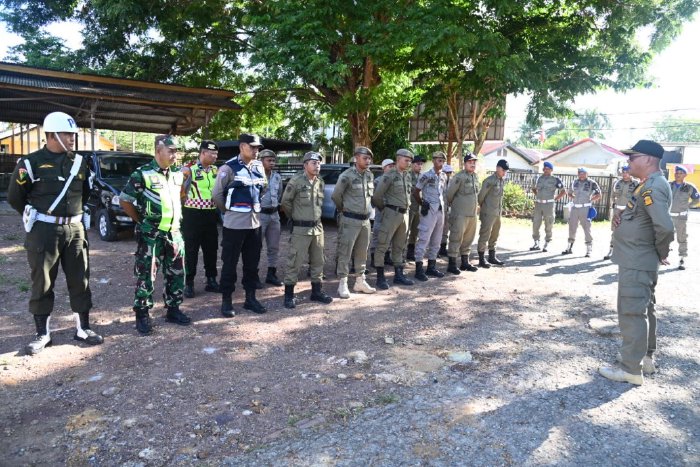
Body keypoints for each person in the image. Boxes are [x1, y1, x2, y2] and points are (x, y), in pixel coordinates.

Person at [8, 111, 103, 354]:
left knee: (80, 278)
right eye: (67, 134)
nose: (72, 138)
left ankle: (83, 328)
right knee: (42, 280)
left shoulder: (80, 163)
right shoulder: (30, 163)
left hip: (75, 229)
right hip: (44, 231)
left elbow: (84, 194)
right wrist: (41, 219)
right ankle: (43, 334)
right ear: (51, 135)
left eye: (73, 134)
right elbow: (15, 198)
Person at [599, 140, 674, 385]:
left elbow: (664, 227)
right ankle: (645, 358)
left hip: (638, 259)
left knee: (632, 312)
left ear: (649, 160)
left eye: (633, 157)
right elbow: (640, 215)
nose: (628, 161)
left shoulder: (654, 187)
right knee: (645, 309)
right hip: (637, 258)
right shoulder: (647, 186)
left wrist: (661, 252)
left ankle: (631, 369)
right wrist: (622, 215)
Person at [120, 134, 191, 334]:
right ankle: (142, 314)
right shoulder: (141, 174)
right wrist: (140, 221)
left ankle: (173, 309)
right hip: (151, 234)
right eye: (170, 151)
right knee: (146, 275)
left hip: (174, 232)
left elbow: (182, 197)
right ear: (158, 151)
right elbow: (124, 200)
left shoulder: (178, 174)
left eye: (176, 151)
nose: (174, 154)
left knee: (177, 273)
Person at [211, 133, 267, 318]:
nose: (256, 150)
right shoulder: (229, 167)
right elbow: (217, 195)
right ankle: (226, 301)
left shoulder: (259, 166)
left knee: (252, 264)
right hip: (234, 225)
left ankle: (250, 298)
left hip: (254, 225)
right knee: (230, 264)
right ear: (242, 146)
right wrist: (229, 212)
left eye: (258, 147)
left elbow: (262, 189)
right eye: (252, 147)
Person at [280, 151, 333, 308]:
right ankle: (289, 295)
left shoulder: (320, 182)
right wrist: (296, 218)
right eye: (313, 163)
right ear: (305, 165)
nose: (317, 166)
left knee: (318, 261)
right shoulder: (296, 181)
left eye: (318, 163)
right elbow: (285, 203)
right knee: (294, 261)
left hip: (317, 227)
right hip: (301, 229)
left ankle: (316, 292)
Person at [332, 146, 376, 298]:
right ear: (356, 158)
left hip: (365, 221)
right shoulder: (347, 176)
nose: (368, 161)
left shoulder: (369, 175)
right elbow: (336, 196)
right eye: (365, 158)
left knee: (362, 252)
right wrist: (343, 210)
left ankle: (360, 281)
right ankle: (342, 283)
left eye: (369, 158)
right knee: (345, 251)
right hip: (350, 219)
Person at [181, 140, 220, 299]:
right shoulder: (189, 170)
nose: (215, 157)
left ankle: (211, 280)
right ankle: (188, 282)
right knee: (191, 249)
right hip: (192, 214)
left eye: (216, 154)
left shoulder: (216, 171)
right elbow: (180, 191)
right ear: (203, 153)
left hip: (211, 214)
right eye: (212, 154)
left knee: (211, 248)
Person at [371, 149, 416, 289]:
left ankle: (399, 275)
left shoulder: (407, 176)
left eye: (410, 161)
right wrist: (385, 210)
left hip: (405, 214)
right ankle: (380, 277)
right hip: (391, 213)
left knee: (400, 245)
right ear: (398, 159)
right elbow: (377, 196)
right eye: (406, 160)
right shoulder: (389, 175)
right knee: (382, 245)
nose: (409, 163)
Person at [412, 151, 448, 281]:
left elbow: (443, 193)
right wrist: (422, 203)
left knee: (437, 240)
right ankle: (418, 269)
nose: (441, 163)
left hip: (440, 211)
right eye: (439, 160)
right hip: (429, 211)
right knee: (423, 239)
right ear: (433, 161)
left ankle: (431, 267)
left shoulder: (444, 176)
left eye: (443, 161)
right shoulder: (426, 175)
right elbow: (416, 192)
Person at [445, 152, 480, 274]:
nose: (473, 164)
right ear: (465, 164)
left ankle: (465, 262)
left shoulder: (475, 177)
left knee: (468, 239)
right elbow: (449, 195)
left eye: (474, 162)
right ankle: (452, 264)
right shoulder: (459, 177)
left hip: (472, 215)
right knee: (456, 238)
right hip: (460, 214)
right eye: (470, 162)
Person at [258, 149, 284, 285]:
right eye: (269, 160)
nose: (272, 163)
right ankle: (253, 275)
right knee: (256, 246)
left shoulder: (277, 177)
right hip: (259, 215)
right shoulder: (255, 176)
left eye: (273, 160)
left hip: (274, 215)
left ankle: (271, 274)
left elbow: (279, 194)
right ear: (261, 161)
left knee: (274, 247)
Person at [562, 167, 601, 257]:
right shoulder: (574, 182)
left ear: (587, 174)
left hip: (585, 208)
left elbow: (599, 195)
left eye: (583, 173)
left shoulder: (592, 183)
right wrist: (574, 198)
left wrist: (591, 200)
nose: (581, 174)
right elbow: (569, 193)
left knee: (586, 228)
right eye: (580, 173)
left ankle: (589, 249)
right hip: (575, 208)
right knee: (572, 227)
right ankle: (569, 247)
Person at [477, 159, 509, 267]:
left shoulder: (501, 181)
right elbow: (480, 197)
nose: (505, 172)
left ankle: (491, 256)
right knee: (484, 235)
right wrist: (483, 208)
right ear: (497, 168)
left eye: (506, 171)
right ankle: (481, 259)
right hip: (488, 212)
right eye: (503, 170)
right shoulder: (489, 181)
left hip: (497, 213)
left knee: (495, 234)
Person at [530, 161, 566, 252]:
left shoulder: (555, 179)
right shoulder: (538, 178)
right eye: (544, 169)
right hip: (538, 204)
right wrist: (537, 195)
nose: (545, 170)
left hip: (549, 205)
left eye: (547, 169)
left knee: (548, 224)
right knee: (536, 223)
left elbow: (563, 191)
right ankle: (536, 242)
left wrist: (556, 198)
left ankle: (547, 242)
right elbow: (533, 188)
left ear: (551, 170)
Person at [604, 166, 638, 260]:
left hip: (630, 211)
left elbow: (639, 198)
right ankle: (612, 250)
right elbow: (612, 196)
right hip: (617, 210)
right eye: (623, 172)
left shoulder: (636, 184)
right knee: (615, 231)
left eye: (627, 172)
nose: (625, 174)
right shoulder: (616, 183)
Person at [669, 165, 700, 270]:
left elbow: (696, 199)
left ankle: (682, 258)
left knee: (681, 238)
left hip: (680, 218)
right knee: (664, 237)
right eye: (676, 172)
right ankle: (662, 257)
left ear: (685, 175)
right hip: (667, 216)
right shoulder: (668, 185)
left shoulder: (689, 187)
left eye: (681, 173)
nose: (678, 174)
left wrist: (688, 206)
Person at [369, 159, 395, 268]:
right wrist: (381, 207)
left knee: (389, 233)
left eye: (393, 166)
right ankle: (374, 258)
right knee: (377, 233)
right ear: (384, 168)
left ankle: (387, 256)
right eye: (389, 166)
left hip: (392, 211)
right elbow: (374, 197)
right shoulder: (377, 181)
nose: (392, 168)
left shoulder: (395, 180)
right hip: (381, 210)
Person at [406, 155, 425, 261]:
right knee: (405, 231)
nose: (420, 166)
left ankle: (410, 251)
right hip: (409, 208)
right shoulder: (407, 175)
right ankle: (399, 254)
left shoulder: (423, 177)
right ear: (412, 165)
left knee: (415, 231)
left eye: (421, 164)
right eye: (418, 164)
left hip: (418, 208)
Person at [438, 163, 454, 257]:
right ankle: (435, 250)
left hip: (448, 209)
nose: (448, 174)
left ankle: (443, 248)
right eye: (446, 172)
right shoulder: (439, 181)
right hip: (439, 209)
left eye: (449, 172)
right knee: (438, 229)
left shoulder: (452, 182)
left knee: (446, 229)